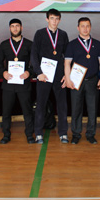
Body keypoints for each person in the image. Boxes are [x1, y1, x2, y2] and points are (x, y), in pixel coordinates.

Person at [64, 17, 100, 144]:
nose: (85, 28)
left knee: (92, 109)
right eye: (82, 26)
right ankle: (76, 134)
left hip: (92, 80)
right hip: (76, 81)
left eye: (87, 26)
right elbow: (67, 63)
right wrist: (68, 79)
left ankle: (91, 134)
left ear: (90, 27)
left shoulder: (97, 44)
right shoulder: (72, 44)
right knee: (76, 108)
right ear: (78, 28)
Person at [31, 9, 70, 144]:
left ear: (60, 20)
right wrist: (39, 73)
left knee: (62, 105)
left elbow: (67, 57)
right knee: (41, 104)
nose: (54, 21)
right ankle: (38, 133)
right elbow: (34, 55)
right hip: (44, 75)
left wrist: (66, 75)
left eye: (57, 18)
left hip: (59, 75)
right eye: (52, 18)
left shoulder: (63, 35)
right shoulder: (40, 34)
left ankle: (63, 133)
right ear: (47, 19)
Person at [0, 18, 35, 144]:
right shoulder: (4, 45)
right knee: (6, 111)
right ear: (10, 28)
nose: (15, 28)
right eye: (12, 26)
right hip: (8, 83)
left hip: (24, 83)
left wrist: (29, 72)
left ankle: (29, 135)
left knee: (27, 111)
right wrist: (3, 72)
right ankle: (6, 135)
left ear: (21, 28)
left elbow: (35, 62)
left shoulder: (29, 44)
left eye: (17, 26)